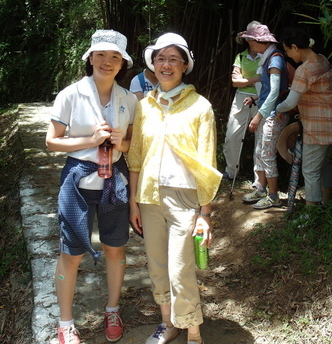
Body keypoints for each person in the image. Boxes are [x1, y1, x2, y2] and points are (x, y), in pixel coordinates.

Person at [127, 32, 222, 344]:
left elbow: (207, 163)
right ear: (152, 65)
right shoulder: (145, 106)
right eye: (160, 59)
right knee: (156, 265)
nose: (165, 64)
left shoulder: (200, 107)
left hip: (184, 199)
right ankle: (168, 323)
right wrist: (133, 202)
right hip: (149, 197)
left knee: (181, 269)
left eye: (172, 59)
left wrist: (205, 214)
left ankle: (192, 330)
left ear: (184, 65)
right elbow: (136, 156)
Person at [46, 29, 138, 344]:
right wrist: (92, 140)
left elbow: (131, 144)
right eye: (101, 54)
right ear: (90, 58)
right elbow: (51, 141)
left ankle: (112, 309)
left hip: (115, 180)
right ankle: (65, 322)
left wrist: (120, 144)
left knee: (115, 248)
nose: (107, 61)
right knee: (70, 254)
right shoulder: (71, 94)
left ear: (122, 63)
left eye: (115, 57)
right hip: (78, 181)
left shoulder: (128, 98)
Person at [275, 27, 332, 206]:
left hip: (316, 128)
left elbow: (290, 102)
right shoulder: (322, 60)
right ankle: (327, 203)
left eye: (287, 50)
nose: (288, 55)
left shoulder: (305, 70)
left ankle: (312, 213)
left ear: (295, 47)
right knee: (324, 165)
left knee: (310, 170)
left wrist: (277, 109)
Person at [240, 23, 291, 210]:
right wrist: (255, 98)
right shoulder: (268, 57)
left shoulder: (275, 59)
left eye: (250, 40)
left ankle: (274, 196)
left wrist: (258, 116)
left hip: (274, 114)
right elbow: (269, 89)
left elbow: (275, 91)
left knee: (267, 154)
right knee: (260, 152)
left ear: (257, 41)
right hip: (268, 112)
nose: (249, 44)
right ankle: (261, 189)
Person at [221, 21, 261, 181]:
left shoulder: (267, 56)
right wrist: (254, 79)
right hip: (240, 97)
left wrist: (245, 79)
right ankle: (231, 171)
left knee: (261, 138)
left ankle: (260, 178)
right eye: (250, 38)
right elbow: (235, 82)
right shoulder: (241, 56)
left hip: (261, 97)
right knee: (232, 135)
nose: (252, 41)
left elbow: (266, 80)